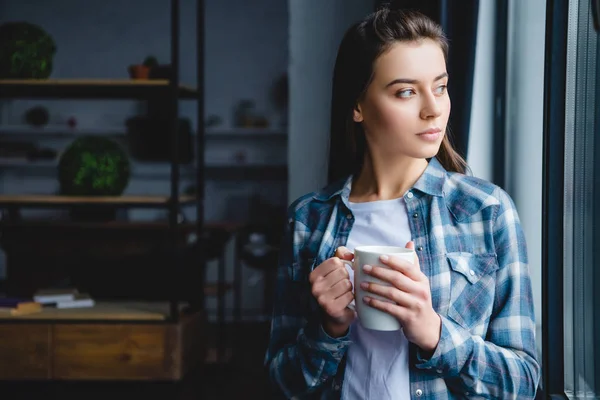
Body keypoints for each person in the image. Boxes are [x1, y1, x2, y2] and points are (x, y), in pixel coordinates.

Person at [264, 6, 540, 400]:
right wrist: (328, 330)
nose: (433, 108)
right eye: (406, 91)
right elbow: (280, 383)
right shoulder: (309, 218)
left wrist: (432, 332)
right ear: (358, 106)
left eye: (440, 86)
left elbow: (522, 384)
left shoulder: (486, 211)